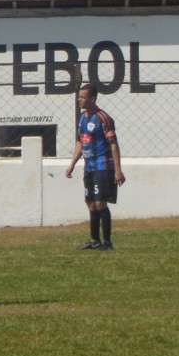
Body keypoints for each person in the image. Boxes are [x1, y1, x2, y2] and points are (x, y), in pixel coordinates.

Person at [65, 83, 126, 250]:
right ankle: (94, 240)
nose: (79, 100)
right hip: (89, 167)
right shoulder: (83, 117)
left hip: (103, 166)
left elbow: (114, 144)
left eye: (83, 97)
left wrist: (118, 170)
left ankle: (107, 242)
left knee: (100, 203)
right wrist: (72, 164)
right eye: (79, 97)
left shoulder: (103, 118)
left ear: (92, 98)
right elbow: (80, 142)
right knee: (91, 203)